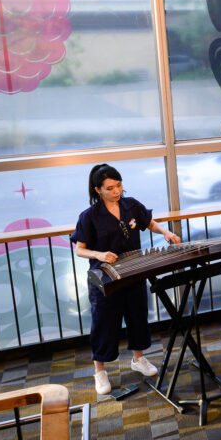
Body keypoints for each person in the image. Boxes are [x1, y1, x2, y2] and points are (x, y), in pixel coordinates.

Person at [72, 163, 181, 395]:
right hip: (106, 278)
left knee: (137, 316)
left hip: (133, 272)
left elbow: (148, 223)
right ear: (97, 190)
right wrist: (99, 254)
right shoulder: (89, 216)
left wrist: (166, 232)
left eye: (119, 185)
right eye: (110, 188)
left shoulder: (131, 205)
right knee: (103, 323)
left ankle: (138, 359)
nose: (116, 191)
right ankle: (99, 372)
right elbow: (80, 249)